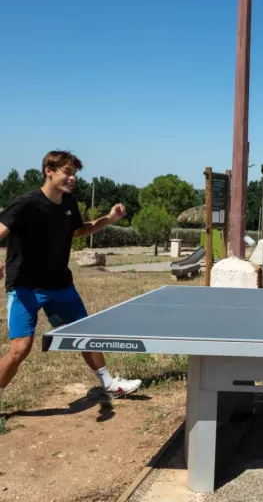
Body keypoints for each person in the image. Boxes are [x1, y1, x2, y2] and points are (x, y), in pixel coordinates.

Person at [0, 151, 142, 408]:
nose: (72, 178)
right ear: (49, 171)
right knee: (21, 348)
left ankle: (109, 383)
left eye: (74, 173)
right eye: (67, 172)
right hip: (25, 287)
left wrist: (110, 219)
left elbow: (79, 230)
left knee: (86, 333)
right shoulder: (25, 203)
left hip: (60, 284)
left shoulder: (68, 202)